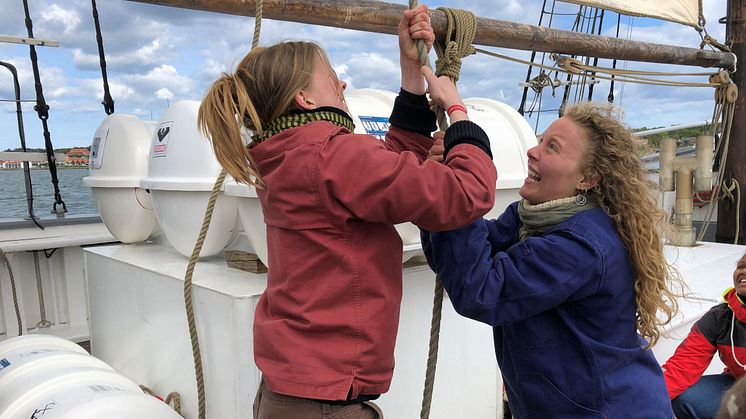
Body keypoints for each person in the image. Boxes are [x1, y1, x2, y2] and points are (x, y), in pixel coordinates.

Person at [198, 4, 498, 418]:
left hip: (287, 392)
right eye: (330, 77)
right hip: (325, 403)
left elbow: (386, 169)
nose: (342, 82)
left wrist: (411, 76)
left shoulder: (286, 156)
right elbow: (467, 195)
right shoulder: (331, 155)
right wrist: (460, 114)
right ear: (304, 98)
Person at [421, 102, 680, 418]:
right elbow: (462, 260)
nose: (533, 150)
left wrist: (463, 173)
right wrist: (443, 183)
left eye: (552, 147)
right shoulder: (533, 217)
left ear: (587, 178)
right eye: (540, 139)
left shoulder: (581, 246)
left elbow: (482, 290)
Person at [663, 251, 746, 419]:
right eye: (741, 266)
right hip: (737, 384)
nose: (743, 271)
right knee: (684, 399)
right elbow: (682, 366)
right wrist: (645, 398)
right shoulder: (719, 317)